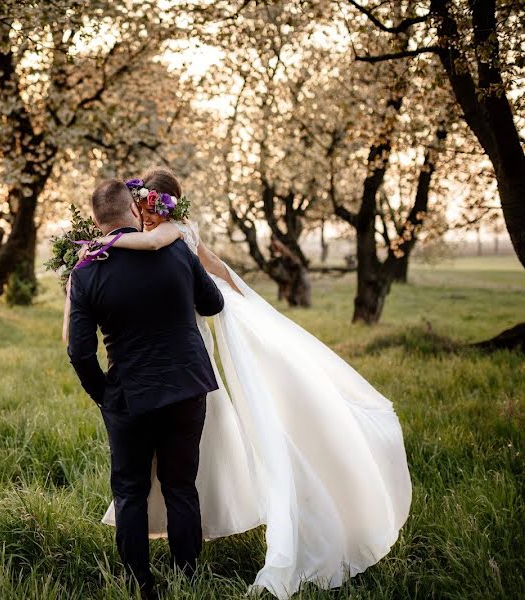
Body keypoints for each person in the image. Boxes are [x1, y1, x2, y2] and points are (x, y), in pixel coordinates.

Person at [90, 167, 412, 599]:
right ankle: (182, 560)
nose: (143, 211)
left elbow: (176, 258)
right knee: (183, 470)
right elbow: (205, 279)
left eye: (146, 203)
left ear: (150, 204)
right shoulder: (169, 245)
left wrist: (97, 243)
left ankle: (147, 572)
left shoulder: (156, 243)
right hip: (186, 370)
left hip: (159, 370)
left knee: (160, 474)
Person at [67, 178, 225, 599]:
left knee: (130, 491)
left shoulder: (85, 273)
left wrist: (106, 396)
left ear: (97, 222)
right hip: (188, 386)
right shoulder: (174, 248)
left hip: (130, 395)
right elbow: (213, 303)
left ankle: (140, 583)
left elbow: (80, 353)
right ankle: (188, 577)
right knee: (180, 486)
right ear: (135, 211)